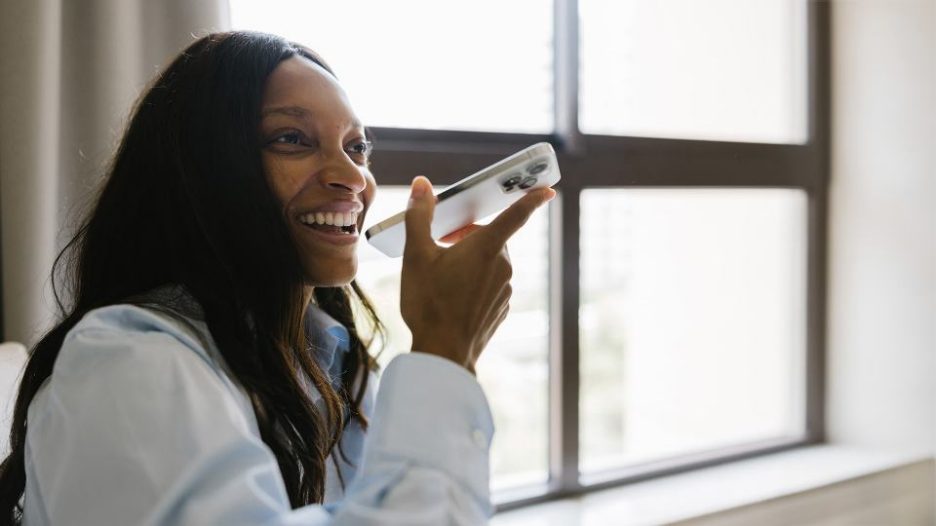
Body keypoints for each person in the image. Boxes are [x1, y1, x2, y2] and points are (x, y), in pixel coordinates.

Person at [0, 31, 554, 525]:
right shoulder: (128, 365)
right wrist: (445, 348)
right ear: (201, 170)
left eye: (356, 147)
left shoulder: (337, 370)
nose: (352, 178)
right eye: (291, 139)